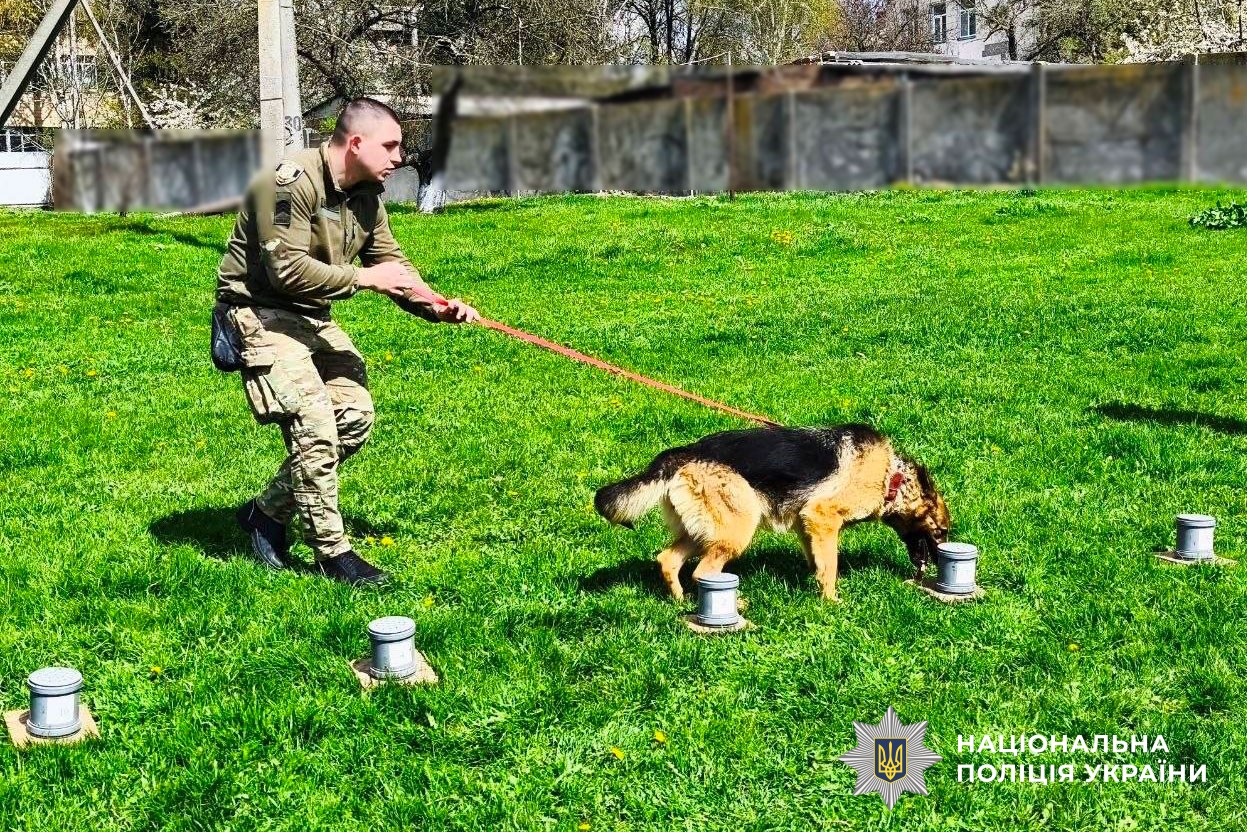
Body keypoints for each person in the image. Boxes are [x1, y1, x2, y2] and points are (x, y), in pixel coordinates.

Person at [214, 97, 479, 586]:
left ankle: (265, 513)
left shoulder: (367, 195)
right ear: (356, 143)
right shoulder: (288, 183)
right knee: (314, 425)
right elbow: (287, 270)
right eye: (390, 146)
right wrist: (365, 279)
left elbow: (393, 264)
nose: (399, 156)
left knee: (353, 418)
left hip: (313, 314)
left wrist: (436, 304)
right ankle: (333, 555)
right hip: (259, 313)